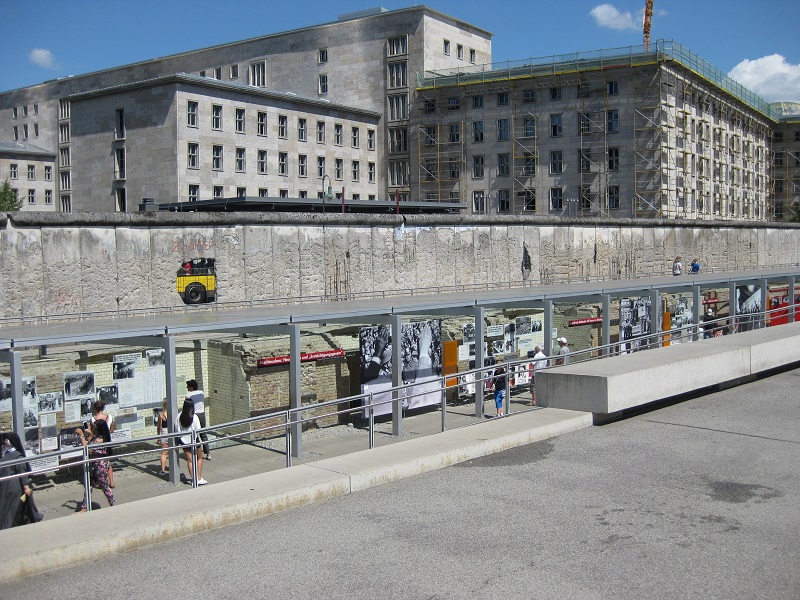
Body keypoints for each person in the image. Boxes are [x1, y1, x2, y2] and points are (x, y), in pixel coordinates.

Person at [0, 432, 40, 528]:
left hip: (13, 487)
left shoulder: (18, 456)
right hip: (6, 485)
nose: (4, 441)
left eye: (6, 439)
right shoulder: (7, 454)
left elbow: (23, 473)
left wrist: (26, 486)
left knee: (12, 508)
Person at [76, 419, 115, 511]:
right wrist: (89, 433)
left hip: (100, 467)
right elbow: (90, 442)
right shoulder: (98, 437)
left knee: (105, 488)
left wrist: (82, 436)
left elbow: (88, 449)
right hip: (94, 466)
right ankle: (84, 508)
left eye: (95, 428)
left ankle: (113, 505)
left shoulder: (100, 440)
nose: (93, 429)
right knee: (88, 487)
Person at [176, 399, 206, 485]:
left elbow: (177, 430)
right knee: (199, 458)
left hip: (184, 441)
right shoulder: (194, 416)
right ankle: (199, 478)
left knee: (190, 461)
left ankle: (194, 479)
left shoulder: (179, 416)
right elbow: (198, 429)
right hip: (194, 439)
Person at [91, 399, 116, 487]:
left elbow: (93, 432)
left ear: (95, 408)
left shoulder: (93, 419)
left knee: (98, 461)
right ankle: (111, 482)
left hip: (98, 442)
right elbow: (112, 429)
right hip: (107, 440)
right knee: (108, 462)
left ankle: (100, 480)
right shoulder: (109, 417)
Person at [185, 379, 210, 460]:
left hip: (194, 415)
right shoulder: (201, 393)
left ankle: (195, 452)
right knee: (203, 434)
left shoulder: (188, 396)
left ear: (191, 387)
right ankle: (208, 453)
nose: (187, 388)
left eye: (188, 386)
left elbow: (187, 406)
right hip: (202, 414)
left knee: (194, 434)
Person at [156, 398, 169, 476]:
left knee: (164, 453)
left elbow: (159, 427)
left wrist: (158, 437)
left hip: (164, 432)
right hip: (171, 432)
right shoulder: (173, 413)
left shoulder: (161, 414)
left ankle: (163, 470)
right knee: (172, 451)